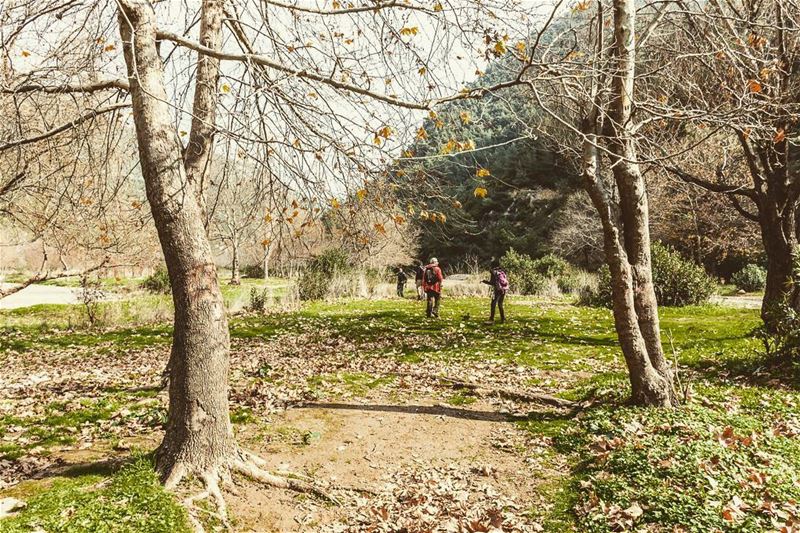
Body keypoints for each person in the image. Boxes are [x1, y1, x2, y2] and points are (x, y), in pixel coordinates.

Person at [482, 259, 508, 323]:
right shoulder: (502, 271)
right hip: (504, 289)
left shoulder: (493, 272)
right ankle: (503, 319)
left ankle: (491, 318)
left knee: (493, 304)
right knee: (500, 304)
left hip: (498, 289)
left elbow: (492, 283)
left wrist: (484, 281)